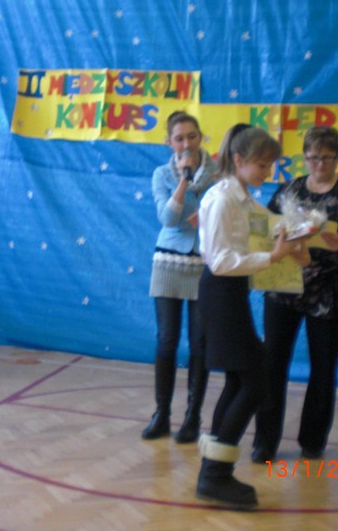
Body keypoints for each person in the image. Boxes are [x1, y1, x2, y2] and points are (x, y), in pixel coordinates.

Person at [195, 124, 310, 509]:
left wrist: (299, 237)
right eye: (262, 165)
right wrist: (272, 257)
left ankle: (214, 473)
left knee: (239, 382)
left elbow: (275, 226)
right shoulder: (221, 198)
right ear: (239, 160)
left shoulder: (243, 197)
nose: (268, 172)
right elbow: (219, 260)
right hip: (220, 293)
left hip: (232, 293)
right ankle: (214, 475)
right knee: (255, 383)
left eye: (270, 165)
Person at [252, 126, 338, 463]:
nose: (319, 164)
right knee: (272, 364)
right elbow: (267, 230)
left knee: (323, 368)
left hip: (331, 291)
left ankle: (312, 441)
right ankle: (264, 442)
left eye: (327, 157)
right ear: (304, 157)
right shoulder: (288, 189)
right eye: (313, 157)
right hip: (284, 286)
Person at [142, 111, 217, 443]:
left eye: (192, 136)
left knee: (199, 342)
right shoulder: (162, 175)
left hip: (204, 262)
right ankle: (161, 414)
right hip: (169, 261)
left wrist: (208, 216)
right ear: (169, 142)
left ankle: (192, 417)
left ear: (201, 137)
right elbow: (168, 219)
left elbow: (228, 215)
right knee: (166, 339)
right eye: (179, 138)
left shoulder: (218, 173)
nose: (186, 144)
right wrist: (184, 181)